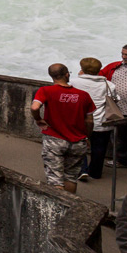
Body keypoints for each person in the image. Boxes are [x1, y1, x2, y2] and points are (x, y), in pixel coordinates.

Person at [31, 63, 96, 194]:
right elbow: (89, 121)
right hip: (78, 141)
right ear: (67, 74)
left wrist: (38, 119)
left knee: (55, 179)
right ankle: (71, 204)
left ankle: (58, 208)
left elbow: (34, 107)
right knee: (71, 177)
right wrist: (87, 137)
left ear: (51, 76)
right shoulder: (83, 95)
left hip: (55, 140)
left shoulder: (46, 91)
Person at [71, 57, 120, 180]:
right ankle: (96, 172)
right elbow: (116, 99)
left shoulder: (75, 82)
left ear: (82, 69)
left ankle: (82, 170)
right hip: (101, 121)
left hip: (81, 120)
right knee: (99, 148)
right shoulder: (108, 85)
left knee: (79, 145)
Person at [102, 44, 127, 168]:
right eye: (122, 54)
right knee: (119, 137)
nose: (124, 57)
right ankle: (122, 160)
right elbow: (97, 75)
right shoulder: (115, 66)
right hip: (119, 109)